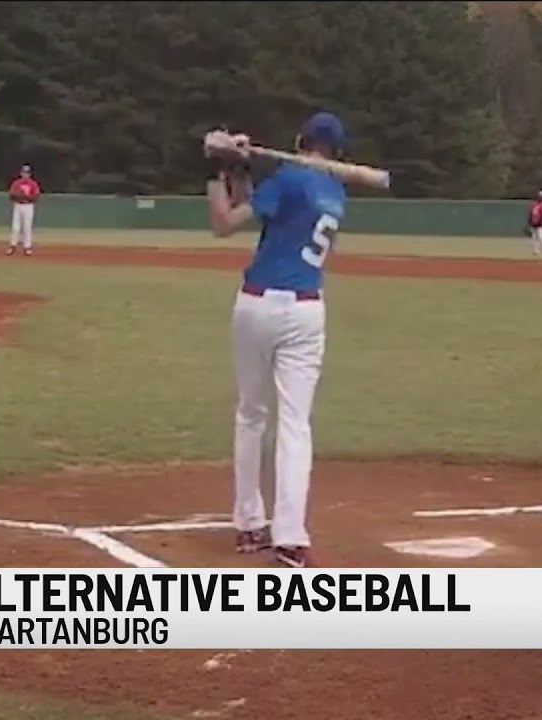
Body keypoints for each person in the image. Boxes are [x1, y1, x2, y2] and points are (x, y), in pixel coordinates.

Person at [203, 112, 349, 569]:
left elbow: (224, 223)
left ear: (300, 139)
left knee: (251, 414)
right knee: (295, 423)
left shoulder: (289, 179)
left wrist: (214, 167)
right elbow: (271, 212)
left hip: (259, 304)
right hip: (308, 311)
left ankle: (249, 522)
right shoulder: (336, 191)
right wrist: (241, 167)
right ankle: (290, 535)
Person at [7, 164, 41, 256]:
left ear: (30, 174)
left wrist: (27, 197)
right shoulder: (16, 183)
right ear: (21, 173)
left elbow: (36, 195)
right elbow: (11, 194)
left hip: (28, 206)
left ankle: (27, 247)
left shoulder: (33, 183)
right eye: (24, 172)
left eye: (27, 173)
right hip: (18, 205)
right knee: (15, 227)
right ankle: (12, 246)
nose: (25, 174)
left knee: (27, 227)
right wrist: (20, 197)